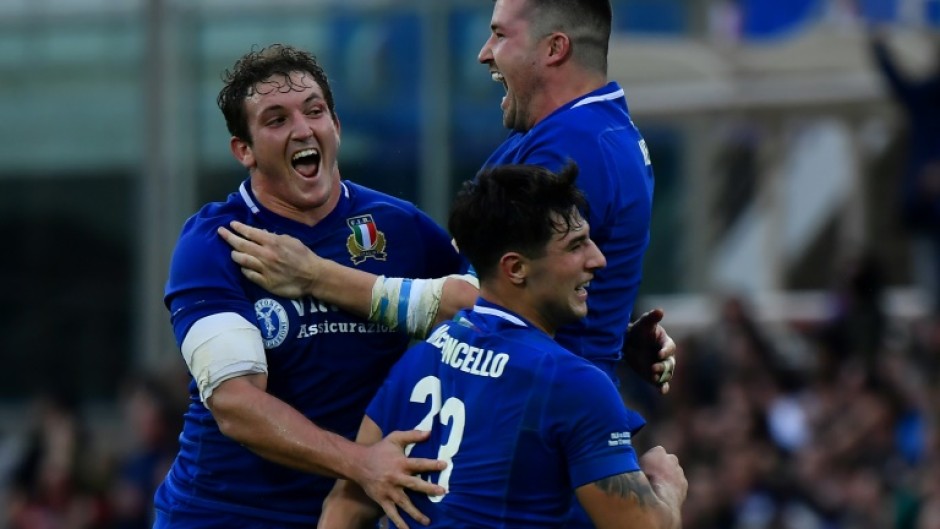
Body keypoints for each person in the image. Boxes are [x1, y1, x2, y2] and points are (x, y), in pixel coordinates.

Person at [219, 3, 673, 525]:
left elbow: (486, 298)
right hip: (503, 417)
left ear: (554, 49)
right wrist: (614, 330)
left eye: (500, 35)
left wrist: (313, 275)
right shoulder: (576, 132)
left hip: (532, 434)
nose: (484, 53)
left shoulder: (571, 147)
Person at [154, 44, 469, 528]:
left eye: (315, 111)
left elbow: (489, 308)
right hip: (223, 512)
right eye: (276, 120)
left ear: (336, 127)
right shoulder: (215, 242)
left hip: (346, 512)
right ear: (245, 150)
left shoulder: (400, 227)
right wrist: (361, 463)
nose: (302, 129)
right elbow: (236, 405)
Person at [318, 162, 688, 529]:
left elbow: (345, 505)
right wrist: (667, 484)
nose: (598, 259)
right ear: (515, 269)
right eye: (576, 245)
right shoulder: (575, 385)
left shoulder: (422, 356)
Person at [866, 27, 940, 312]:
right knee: (929, 282)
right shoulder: (924, 100)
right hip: (923, 208)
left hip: (922, 207)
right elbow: (898, 84)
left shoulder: (921, 100)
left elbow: (898, 84)